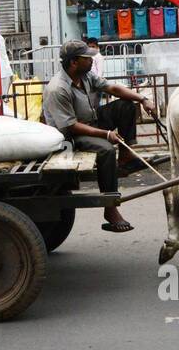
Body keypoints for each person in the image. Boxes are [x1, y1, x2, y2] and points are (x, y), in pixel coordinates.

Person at [42, 40, 154, 234]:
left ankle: (126, 157)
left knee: (126, 105)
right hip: (70, 136)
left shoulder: (85, 76)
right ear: (74, 62)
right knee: (106, 149)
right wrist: (106, 134)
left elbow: (113, 89)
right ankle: (110, 208)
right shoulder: (57, 89)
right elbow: (71, 126)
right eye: (87, 58)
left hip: (92, 122)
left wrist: (142, 99)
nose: (91, 61)